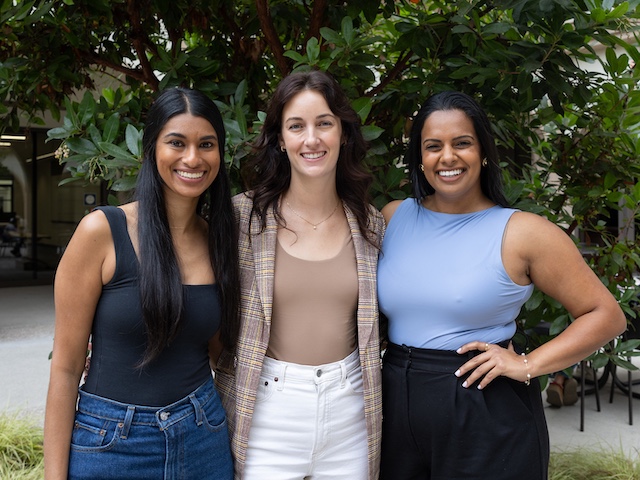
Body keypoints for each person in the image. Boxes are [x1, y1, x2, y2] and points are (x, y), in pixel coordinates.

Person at [376, 90, 626, 479]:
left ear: (484, 151)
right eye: (432, 146)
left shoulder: (522, 232)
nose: (448, 157)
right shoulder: (393, 217)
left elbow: (606, 315)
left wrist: (528, 364)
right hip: (394, 403)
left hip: (482, 407)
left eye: (462, 143)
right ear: (419, 159)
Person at [44, 87, 240, 480]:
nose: (192, 158)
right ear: (151, 149)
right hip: (112, 444)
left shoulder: (220, 239)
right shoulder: (102, 230)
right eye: (176, 143)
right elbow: (65, 370)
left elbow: (222, 357)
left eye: (206, 144)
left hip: (203, 437)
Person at [214, 70, 385, 479]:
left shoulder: (371, 225)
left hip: (350, 412)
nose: (312, 139)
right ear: (280, 138)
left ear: (343, 133)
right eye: (297, 126)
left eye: (324, 123)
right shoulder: (243, 217)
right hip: (266, 409)